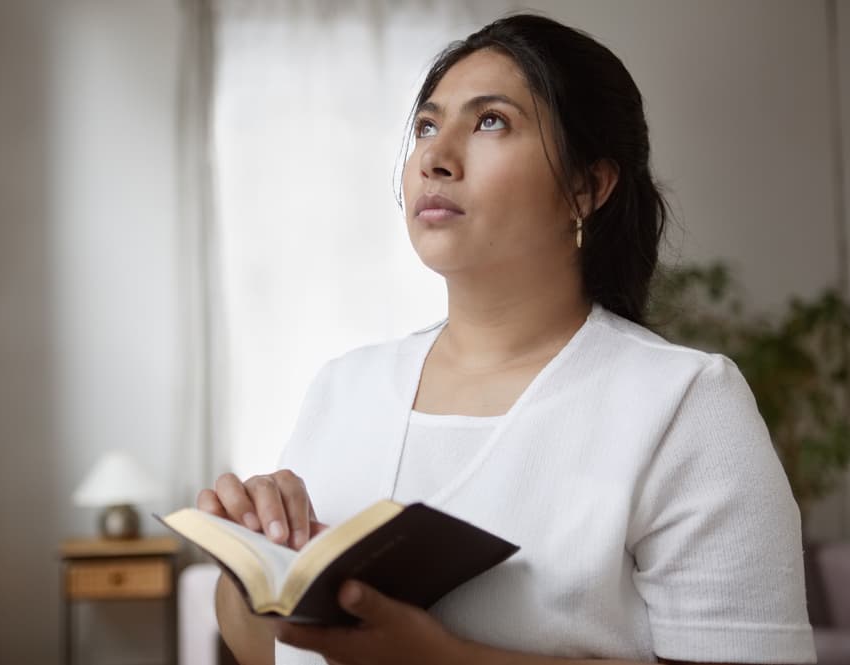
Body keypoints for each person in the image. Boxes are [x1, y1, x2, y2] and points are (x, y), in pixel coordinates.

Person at [196, 13, 817, 665]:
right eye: (426, 125)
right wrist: (254, 564)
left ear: (586, 185)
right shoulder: (342, 389)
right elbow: (262, 648)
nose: (435, 156)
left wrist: (441, 658)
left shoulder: (683, 406)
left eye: (491, 120)